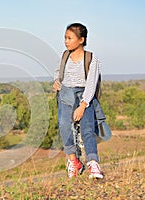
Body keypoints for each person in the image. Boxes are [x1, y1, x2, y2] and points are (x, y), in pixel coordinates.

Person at [53, 23, 104, 179]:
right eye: (65, 38)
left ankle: (93, 164)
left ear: (81, 40)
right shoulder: (65, 55)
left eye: (70, 38)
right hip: (66, 94)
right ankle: (74, 162)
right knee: (64, 126)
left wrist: (83, 105)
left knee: (87, 129)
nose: (66, 41)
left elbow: (91, 83)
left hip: (85, 95)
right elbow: (58, 71)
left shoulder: (91, 58)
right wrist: (56, 81)